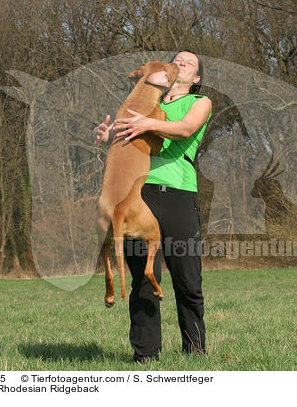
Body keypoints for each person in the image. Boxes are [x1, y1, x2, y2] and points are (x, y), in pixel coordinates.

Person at [94, 51, 212, 363]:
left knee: (187, 280)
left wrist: (145, 122)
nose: (181, 62)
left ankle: (195, 351)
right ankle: (145, 355)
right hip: (137, 195)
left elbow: (185, 129)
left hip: (178, 196)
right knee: (142, 281)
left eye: (189, 62)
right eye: (177, 59)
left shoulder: (199, 103)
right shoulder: (145, 102)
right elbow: (126, 140)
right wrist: (108, 135)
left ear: (196, 78)